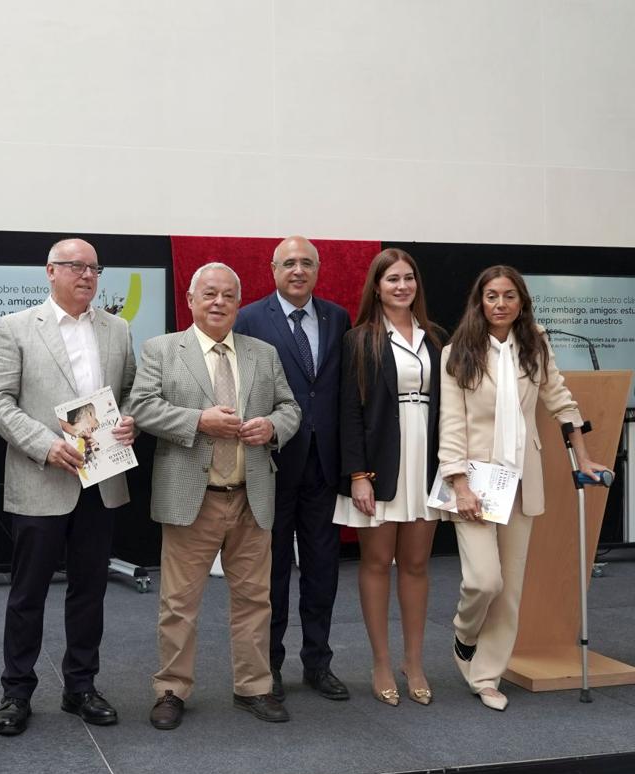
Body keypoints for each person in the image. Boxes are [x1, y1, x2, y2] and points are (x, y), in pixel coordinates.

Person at [131, 262, 300, 729]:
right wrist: (197, 421)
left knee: (254, 600)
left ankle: (254, 687)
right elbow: (141, 407)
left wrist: (272, 428)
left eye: (228, 295)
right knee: (178, 604)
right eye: (209, 294)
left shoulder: (262, 353)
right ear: (190, 299)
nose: (219, 302)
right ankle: (171, 689)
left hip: (251, 496)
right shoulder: (162, 350)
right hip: (193, 498)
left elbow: (291, 407)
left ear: (239, 303)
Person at [0, 238, 137, 736]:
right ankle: (16, 692)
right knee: (27, 593)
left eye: (94, 268)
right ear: (50, 271)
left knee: (90, 591)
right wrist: (45, 444)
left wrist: (131, 418)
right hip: (41, 476)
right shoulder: (15, 328)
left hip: (101, 480)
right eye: (75, 266)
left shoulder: (119, 328)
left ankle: (81, 687)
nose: (87, 275)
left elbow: (131, 389)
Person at [440, 265, 607, 711]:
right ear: (480, 302)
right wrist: (458, 483)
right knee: (483, 580)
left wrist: (583, 455)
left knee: (509, 589)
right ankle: (464, 632)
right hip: (473, 484)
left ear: (521, 301)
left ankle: (486, 675)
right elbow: (452, 425)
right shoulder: (457, 353)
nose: (500, 304)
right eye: (491, 296)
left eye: (508, 296)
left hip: (519, 482)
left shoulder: (535, 346)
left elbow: (561, 401)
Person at [234, 236, 352, 701]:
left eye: (306, 263)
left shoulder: (337, 317)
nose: (298, 270)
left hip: (324, 466)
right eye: (289, 263)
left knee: (323, 570)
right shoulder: (249, 319)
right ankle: (271, 665)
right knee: (272, 571)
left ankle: (318, 663)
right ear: (273, 269)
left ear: (318, 269)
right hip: (273, 464)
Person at [333, 249, 444, 706]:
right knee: (377, 563)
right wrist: (358, 474)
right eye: (392, 279)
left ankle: (413, 660)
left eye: (409, 278)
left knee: (417, 565)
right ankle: (381, 660)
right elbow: (350, 414)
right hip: (379, 465)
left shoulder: (437, 338)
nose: (402, 286)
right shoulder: (360, 339)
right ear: (376, 287)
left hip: (427, 462)